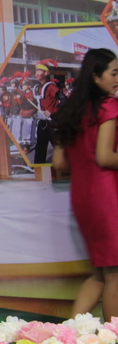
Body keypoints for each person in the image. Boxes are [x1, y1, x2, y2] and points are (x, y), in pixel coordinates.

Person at [52, 48, 118, 321]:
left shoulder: (73, 111)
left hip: (83, 196)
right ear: (95, 77)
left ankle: (66, 334)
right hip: (107, 196)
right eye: (114, 73)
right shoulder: (110, 106)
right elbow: (104, 156)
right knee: (114, 274)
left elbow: (59, 163)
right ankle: (114, 340)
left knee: (100, 274)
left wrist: (83, 163)